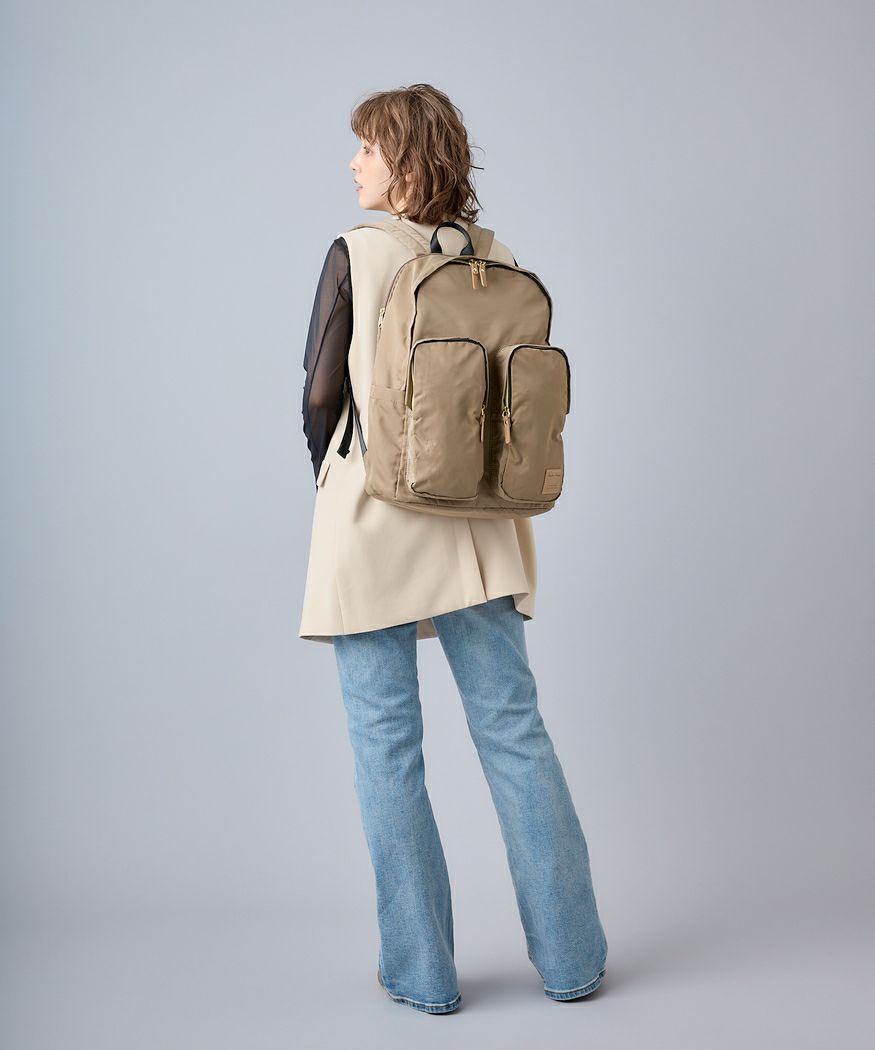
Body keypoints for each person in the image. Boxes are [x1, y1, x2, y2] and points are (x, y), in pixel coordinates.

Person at [299, 83, 607, 1014]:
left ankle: (422, 973)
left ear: (400, 159)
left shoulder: (354, 250)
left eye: (365, 147)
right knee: (515, 735)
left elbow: (319, 395)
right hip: (481, 526)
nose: (352, 162)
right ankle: (571, 962)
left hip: (374, 524)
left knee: (385, 748)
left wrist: (332, 480)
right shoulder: (495, 258)